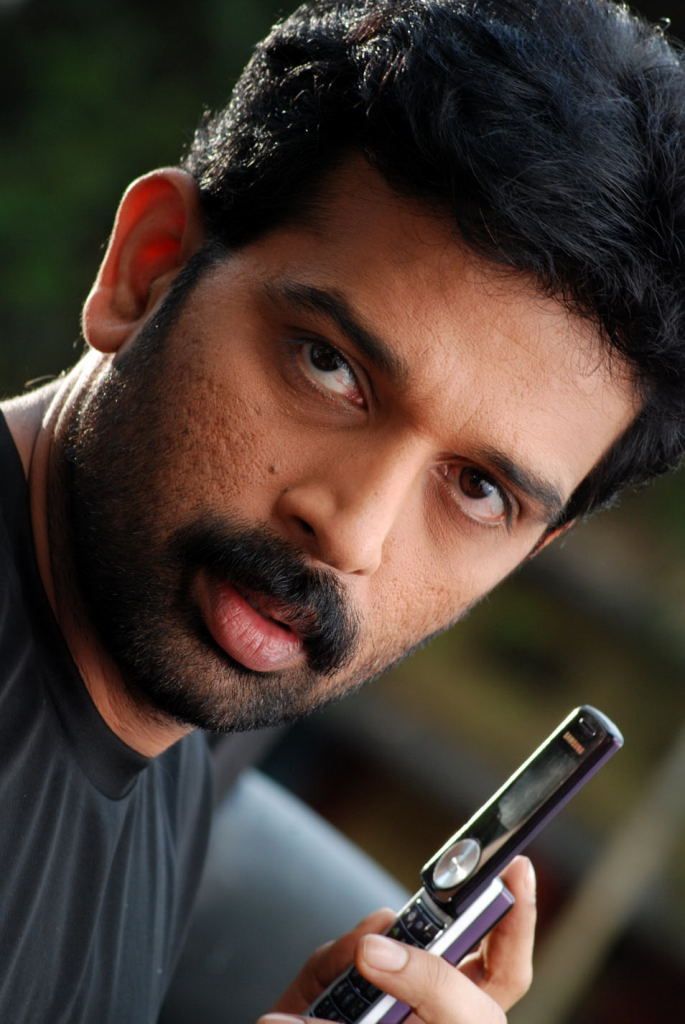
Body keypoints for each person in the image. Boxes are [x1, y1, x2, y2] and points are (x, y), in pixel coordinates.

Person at [1, 0, 683, 1021]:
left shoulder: (187, 713)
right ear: (149, 266)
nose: (351, 531)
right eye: (330, 366)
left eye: (479, 490)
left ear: (535, 547)